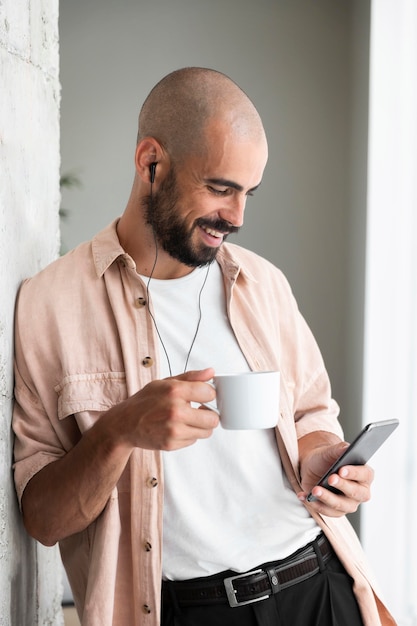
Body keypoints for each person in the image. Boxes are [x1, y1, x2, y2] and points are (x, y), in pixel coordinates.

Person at [12, 67, 395, 626]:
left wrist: (322, 458)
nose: (237, 218)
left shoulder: (262, 284)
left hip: (320, 587)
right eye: (220, 188)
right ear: (151, 163)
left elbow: (311, 413)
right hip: (190, 611)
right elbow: (42, 519)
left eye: (248, 193)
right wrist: (120, 430)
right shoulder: (50, 304)